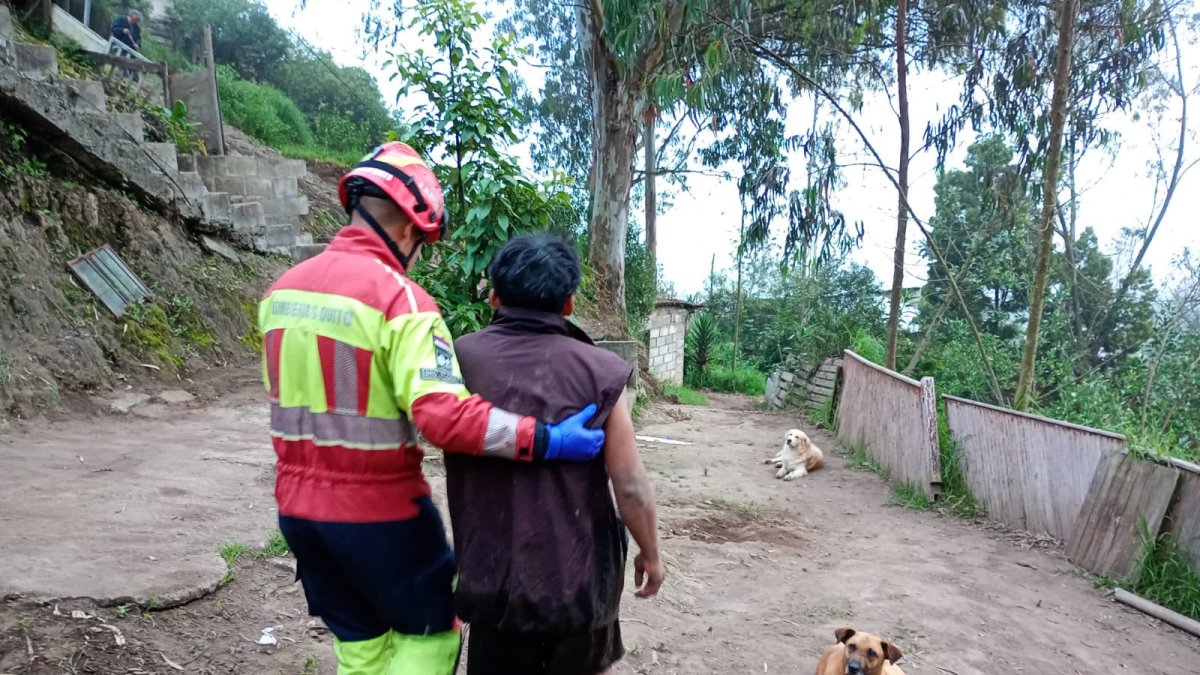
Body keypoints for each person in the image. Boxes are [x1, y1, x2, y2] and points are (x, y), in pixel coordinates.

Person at [258, 143, 609, 675]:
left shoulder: (280, 294)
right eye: (422, 243)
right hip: (380, 511)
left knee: (360, 643)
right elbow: (442, 417)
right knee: (428, 638)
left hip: (298, 511)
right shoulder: (401, 302)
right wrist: (549, 439)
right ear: (408, 230)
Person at [446, 234, 663, 675]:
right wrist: (650, 553)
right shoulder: (600, 370)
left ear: (493, 296)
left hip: (493, 582)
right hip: (578, 586)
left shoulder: (458, 358)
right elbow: (630, 485)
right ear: (568, 304)